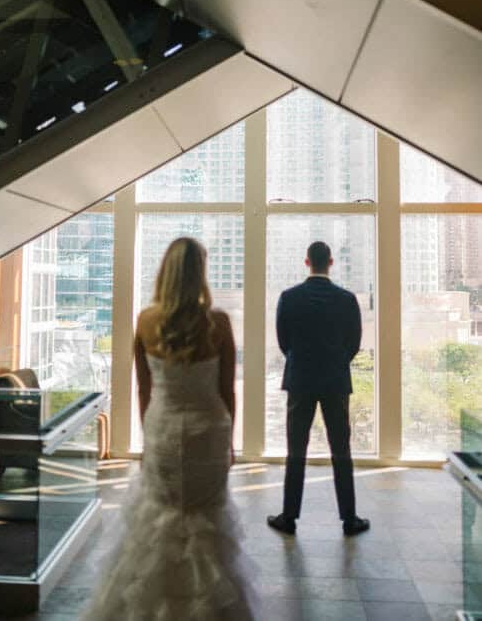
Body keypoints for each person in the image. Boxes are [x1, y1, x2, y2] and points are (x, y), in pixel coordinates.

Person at [83, 237, 260, 621]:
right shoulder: (219, 323)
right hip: (208, 431)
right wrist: (229, 442)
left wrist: (149, 437)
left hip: (163, 429)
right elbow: (227, 389)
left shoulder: (146, 321)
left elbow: (144, 388)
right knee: (207, 521)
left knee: (158, 517)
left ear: (165, 271)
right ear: (200, 275)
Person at [267, 240, 370, 537]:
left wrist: (300, 361)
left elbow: (284, 341)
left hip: (300, 379)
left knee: (295, 449)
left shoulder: (289, 298)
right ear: (332, 262)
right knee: (341, 449)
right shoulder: (347, 299)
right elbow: (354, 343)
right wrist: (336, 362)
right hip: (335, 381)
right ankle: (349, 519)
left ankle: (289, 517)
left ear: (306, 262)